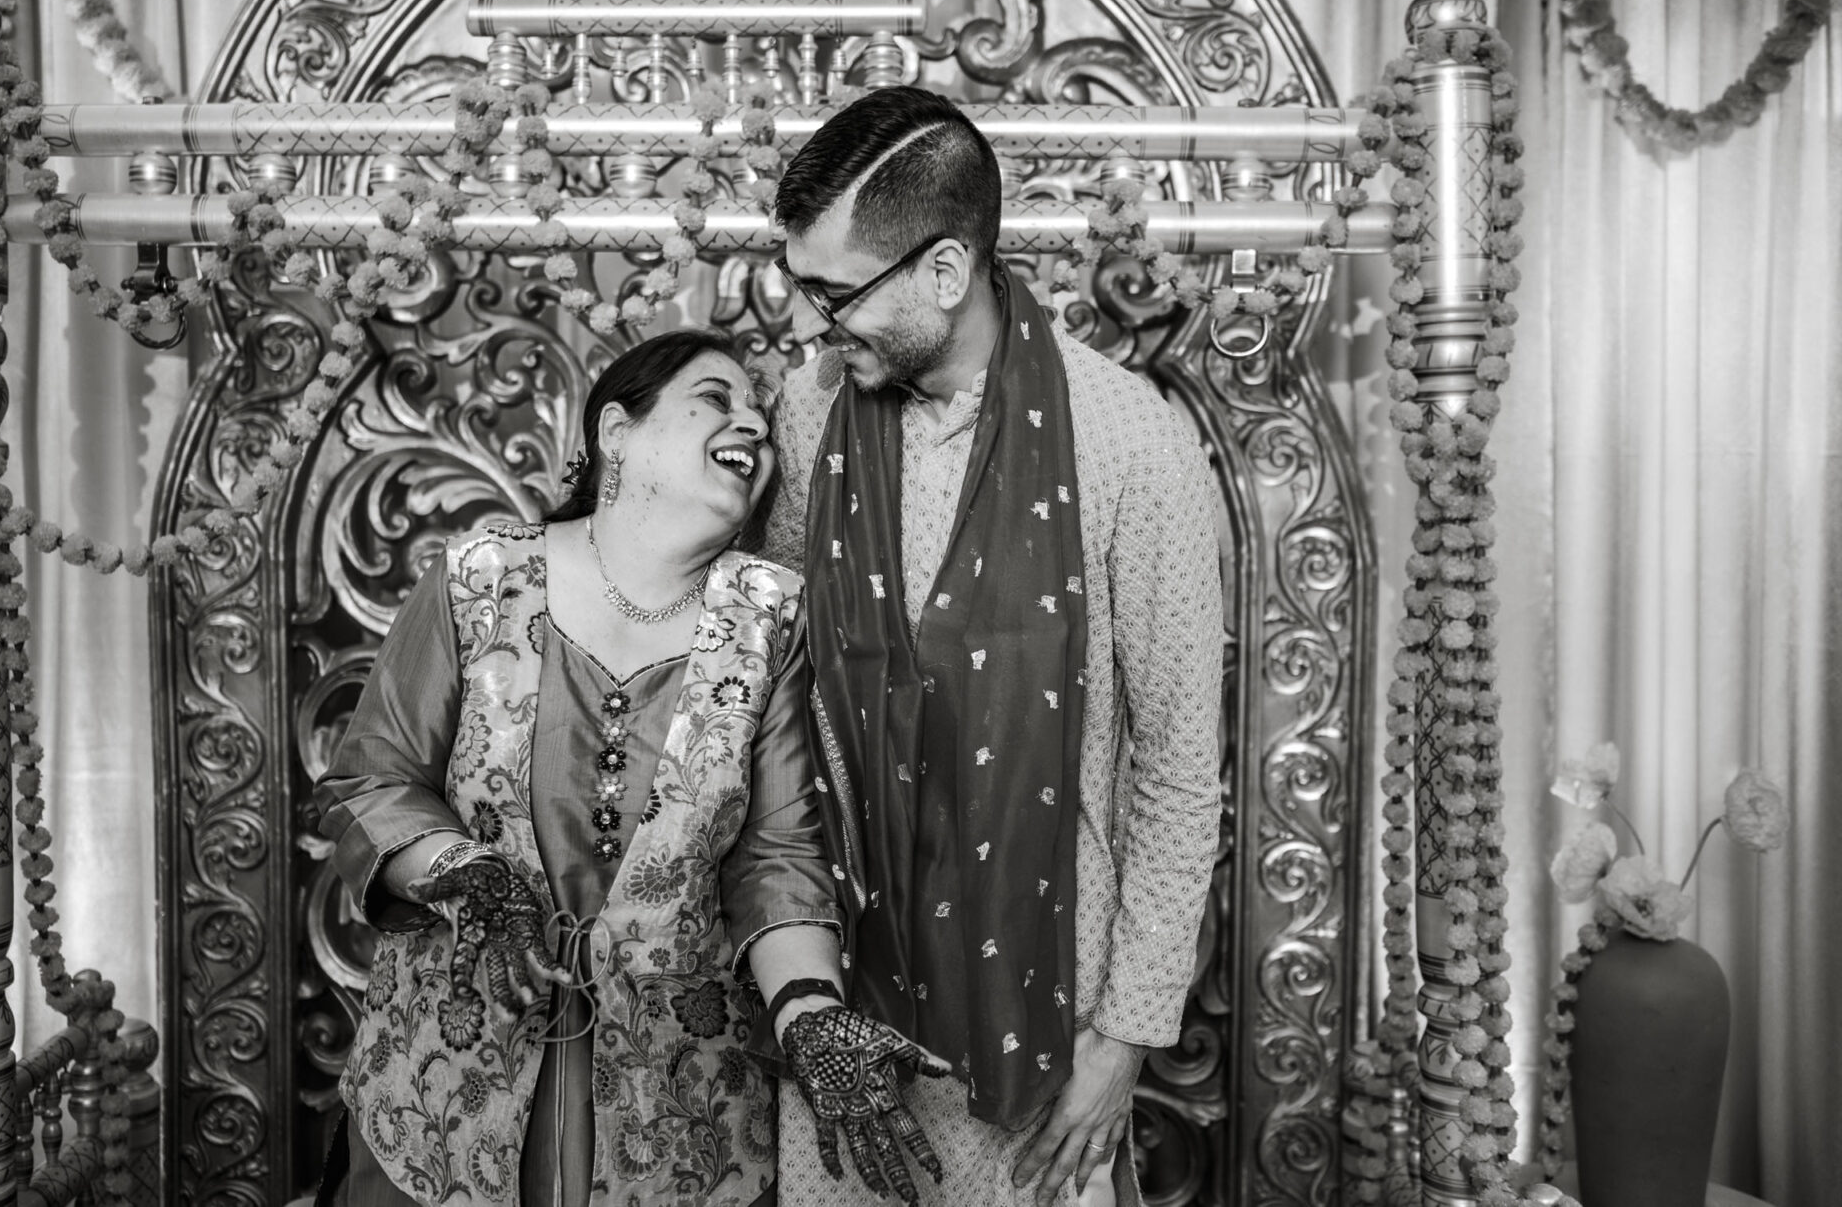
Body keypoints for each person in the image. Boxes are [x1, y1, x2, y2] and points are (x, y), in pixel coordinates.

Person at [312, 329, 941, 1207]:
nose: (752, 421)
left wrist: (809, 1011)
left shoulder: (772, 620)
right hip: (448, 1083)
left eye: (759, 408)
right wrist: (465, 875)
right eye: (717, 397)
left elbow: (778, 858)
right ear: (618, 430)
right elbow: (372, 778)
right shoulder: (477, 578)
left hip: (678, 1107)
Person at [757, 86, 1226, 1207]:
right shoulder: (811, 412)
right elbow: (772, 685)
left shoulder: (1129, 442)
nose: (813, 324)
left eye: (834, 293)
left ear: (943, 270)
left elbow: (1174, 767)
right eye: (801, 289)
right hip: (844, 994)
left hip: (1047, 1014)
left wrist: (1123, 1042)